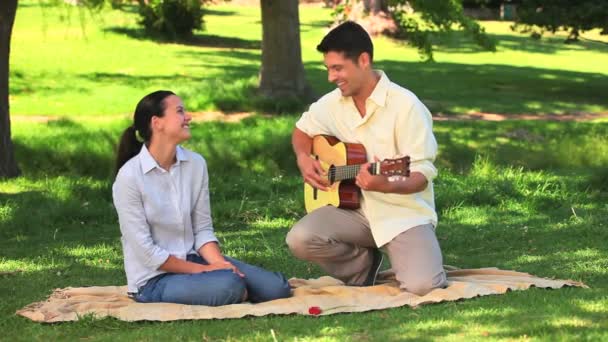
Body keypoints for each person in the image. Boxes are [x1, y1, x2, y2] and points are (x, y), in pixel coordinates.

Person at [286, 22, 447, 296]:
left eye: (337, 68)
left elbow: (419, 174)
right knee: (300, 238)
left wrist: (384, 184)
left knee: (423, 287)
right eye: (328, 69)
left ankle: (413, 258)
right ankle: (362, 266)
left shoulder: (406, 106)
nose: (330, 77)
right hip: (353, 211)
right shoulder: (331, 104)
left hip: (402, 214)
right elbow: (302, 130)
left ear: (363, 60)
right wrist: (303, 156)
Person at [112, 90, 291, 306]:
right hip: (153, 279)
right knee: (230, 285)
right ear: (156, 122)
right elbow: (147, 253)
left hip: (194, 259)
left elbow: (202, 229)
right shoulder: (129, 177)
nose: (188, 117)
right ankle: (227, 288)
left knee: (277, 288)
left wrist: (219, 263)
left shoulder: (195, 164)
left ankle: (226, 287)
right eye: (180, 111)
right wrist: (206, 270)